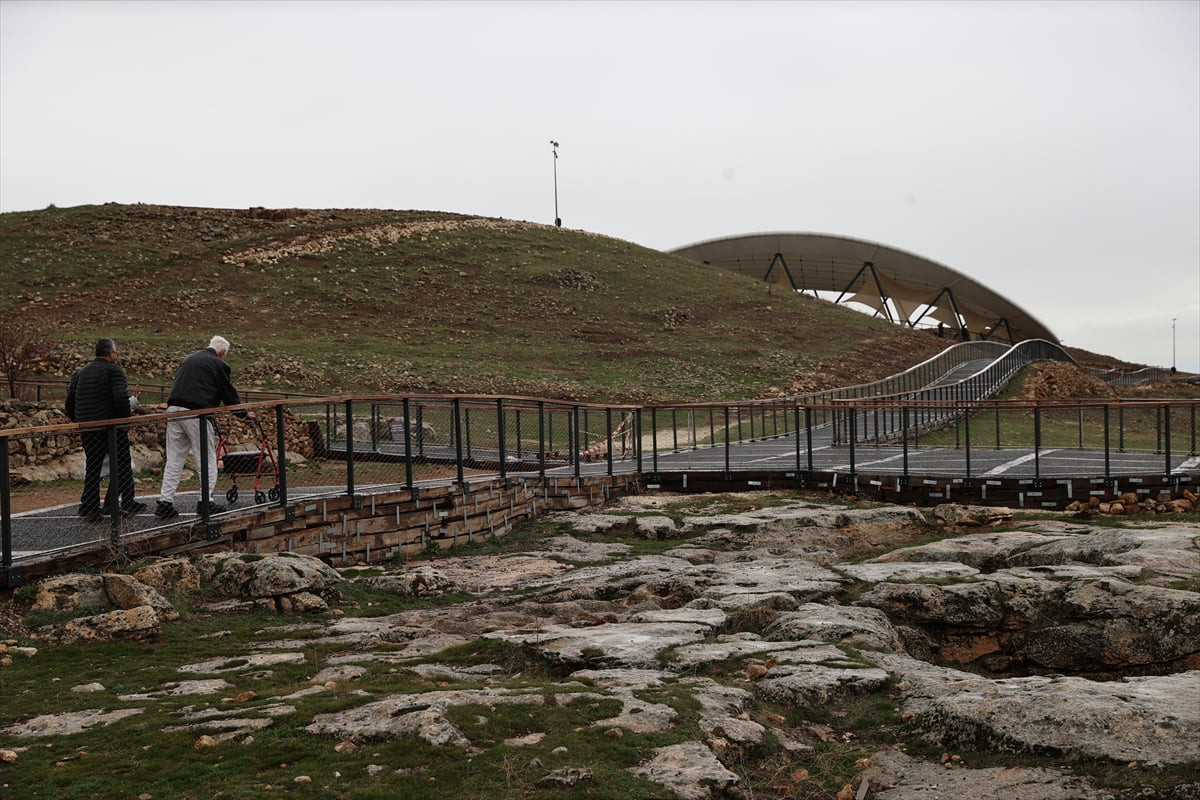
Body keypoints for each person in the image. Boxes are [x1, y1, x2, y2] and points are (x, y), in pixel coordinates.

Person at [156, 335, 254, 519]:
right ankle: (205, 502)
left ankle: (165, 502)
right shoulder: (219, 364)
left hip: (174, 409)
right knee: (207, 460)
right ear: (222, 352)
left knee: (175, 458)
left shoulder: (190, 359)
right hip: (196, 413)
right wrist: (243, 413)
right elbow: (228, 393)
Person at [65, 338, 145, 522]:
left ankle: (90, 507)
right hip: (110, 428)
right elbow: (119, 398)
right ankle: (111, 503)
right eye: (115, 352)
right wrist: (123, 423)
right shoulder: (114, 371)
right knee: (123, 465)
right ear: (110, 353)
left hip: (88, 428)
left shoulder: (80, 372)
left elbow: (69, 402)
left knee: (93, 468)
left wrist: (80, 420)